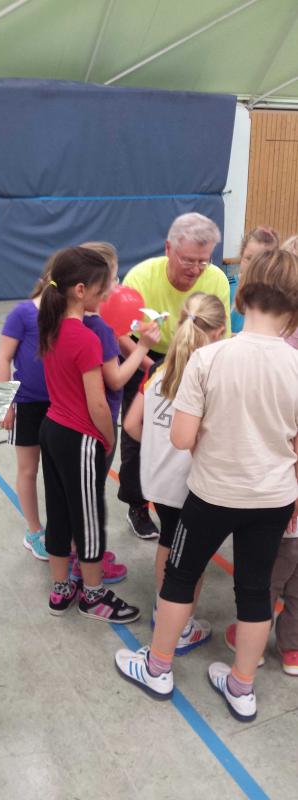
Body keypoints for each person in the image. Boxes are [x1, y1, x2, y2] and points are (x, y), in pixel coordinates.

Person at [115, 248, 298, 722]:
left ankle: (157, 667)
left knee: (180, 576)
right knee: (254, 590)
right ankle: (241, 685)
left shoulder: (209, 358)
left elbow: (181, 437)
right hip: (274, 498)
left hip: (212, 494)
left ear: (241, 297)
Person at [38, 246, 140, 623]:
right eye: (101, 288)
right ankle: (93, 595)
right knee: (89, 516)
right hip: (78, 436)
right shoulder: (85, 338)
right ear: (80, 290)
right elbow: (98, 404)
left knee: (59, 511)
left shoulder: (50, 326)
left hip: (52, 429)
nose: (107, 294)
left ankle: (61, 587)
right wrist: (108, 437)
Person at [123, 292, 226, 653]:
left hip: (158, 481)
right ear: (220, 332)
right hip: (193, 485)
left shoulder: (157, 370)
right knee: (192, 559)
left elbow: (131, 424)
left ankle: (161, 607)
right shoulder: (212, 375)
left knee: (167, 541)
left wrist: (156, 446)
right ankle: (182, 625)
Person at [118, 212, 230, 539]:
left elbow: (220, 336)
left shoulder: (217, 280)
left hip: (198, 359)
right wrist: (155, 372)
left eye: (204, 261)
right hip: (146, 357)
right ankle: (137, 503)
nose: (196, 269)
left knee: (193, 431)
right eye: (188, 260)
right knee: (138, 431)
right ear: (169, 249)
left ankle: (189, 493)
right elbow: (119, 333)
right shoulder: (141, 277)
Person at [225, 234, 298, 674]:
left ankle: (255, 636)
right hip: (280, 485)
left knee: (268, 572)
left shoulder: (280, 346)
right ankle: (288, 646)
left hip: (278, 488)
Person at [71, 240, 161, 584]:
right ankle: (87, 561)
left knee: (78, 494)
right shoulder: (99, 330)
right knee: (90, 496)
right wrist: (144, 348)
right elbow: (117, 377)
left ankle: (77, 552)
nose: (118, 286)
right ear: (92, 285)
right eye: (113, 279)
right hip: (95, 426)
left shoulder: (68, 321)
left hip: (69, 423)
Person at [0, 264, 51, 560]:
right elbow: (4, 358)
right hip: (28, 404)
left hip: (60, 405)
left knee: (57, 472)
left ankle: (60, 528)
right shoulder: (23, 313)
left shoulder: (67, 315)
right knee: (29, 470)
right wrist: (5, 404)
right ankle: (34, 531)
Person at [230, 226, 279, 334]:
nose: (253, 265)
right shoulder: (227, 286)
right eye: (249, 258)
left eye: (262, 261)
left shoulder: (279, 295)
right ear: (241, 256)